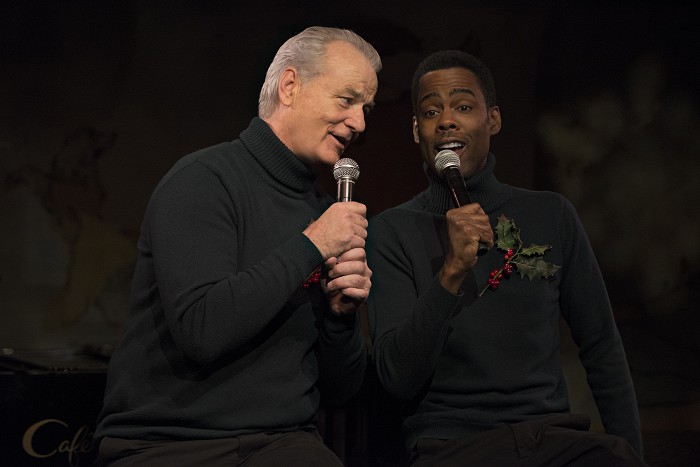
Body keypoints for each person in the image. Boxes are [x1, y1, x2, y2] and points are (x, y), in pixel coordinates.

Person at [94, 26, 380, 466]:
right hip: (170, 443)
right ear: (290, 86)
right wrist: (312, 245)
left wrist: (341, 317)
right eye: (346, 100)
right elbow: (202, 331)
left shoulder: (327, 214)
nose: (359, 123)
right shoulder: (203, 180)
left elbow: (341, 390)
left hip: (282, 444)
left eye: (365, 109)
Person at [365, 50, 647, 466]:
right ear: (416, 130)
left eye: (463, 107)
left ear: (493, 120)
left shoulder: (551, 213)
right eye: (430, 111)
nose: (446, 121)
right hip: (453, 447)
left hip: (551, 439)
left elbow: (602, 347)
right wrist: (451, 273)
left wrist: (632, 455)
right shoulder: (391, 232)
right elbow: (396, 378)